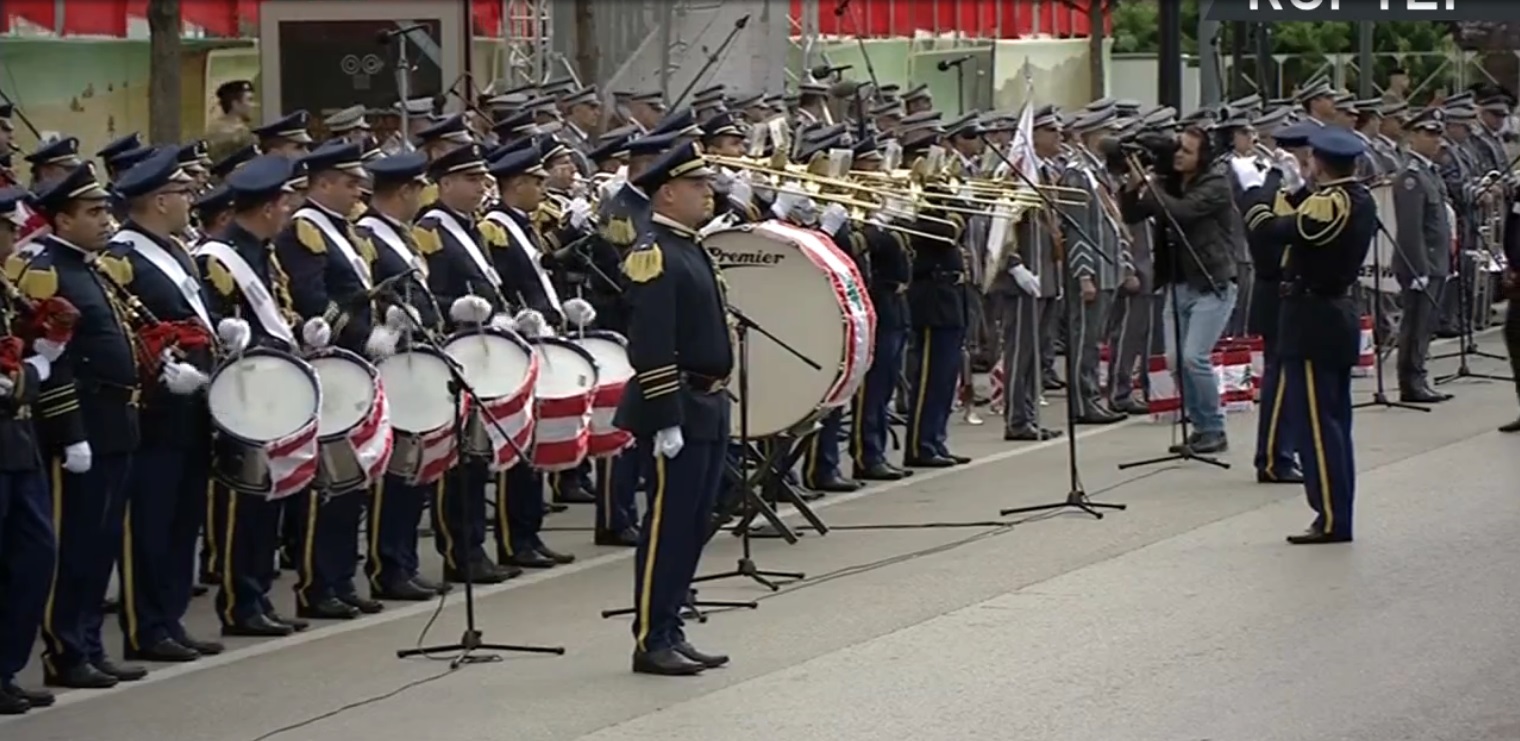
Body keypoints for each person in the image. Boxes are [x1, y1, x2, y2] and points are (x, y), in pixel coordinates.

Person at [12, 163, 144, 688]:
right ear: (62, 220)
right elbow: (52, 356)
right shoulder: (48, 270)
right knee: (74, 544)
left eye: (106, 210)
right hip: (81, 425)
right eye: (92, 212)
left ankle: (89, 642)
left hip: (116, 420)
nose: (105, 220)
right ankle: (65, 650)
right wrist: (71, 433)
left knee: (101, 543)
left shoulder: (93, 267)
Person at [615, 141, 732, 676]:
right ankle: (651, 638)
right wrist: (665, 418)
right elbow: (651, 344)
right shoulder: (654, 253)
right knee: (666, 528)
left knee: (692, 525)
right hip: (677, 404)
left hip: (707, 401)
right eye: (696, 184)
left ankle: (672, 628)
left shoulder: (689, 246)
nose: (707, 192)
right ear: (666, 192)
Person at [107, 150, 226, 662]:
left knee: (183, 519)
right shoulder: (122, 256)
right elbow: (124, 330)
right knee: (151, 522)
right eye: (183, 193)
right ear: (159, 200)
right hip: (156, 410)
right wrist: (157, 368)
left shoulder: (176, 249)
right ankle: (146, 627)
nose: (191, 200)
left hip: (194, 402)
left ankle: (170, 618)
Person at [275, 139, 394, 620]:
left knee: (352, 480)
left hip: (358, 365)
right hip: (333, 363)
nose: (357, 191)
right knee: (328, 482)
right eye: (348, 183)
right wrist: (363, 335)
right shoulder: (305, 229)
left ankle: (341, 578)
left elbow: (361, 291)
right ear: (322, 184)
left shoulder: (342, 228)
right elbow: (313, 301)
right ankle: (317, 583)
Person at [1244, 128, 1374, 545]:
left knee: (1318, 426)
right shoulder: (1355, 197)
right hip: (1330, 315)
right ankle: (1335, 513)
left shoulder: (1332, 201)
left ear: (1319, 162)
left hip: (1313, 319)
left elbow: (1270, 228)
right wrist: (1299, 189)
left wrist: (1263, 188)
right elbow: (1312, 222)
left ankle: (1332, 517)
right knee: (1332, 422)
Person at [196, 154, 308, 637]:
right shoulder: (219, 258)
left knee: (269, 497)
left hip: (273, 389)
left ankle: (258, 595)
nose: (288, 212)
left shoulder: (263, 251)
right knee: (242, 504)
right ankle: (240, 601)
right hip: (241, 395)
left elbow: (280, 311)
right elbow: (214, 325)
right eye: (284, 204)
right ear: (266, 208)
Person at [411, 143, 519, 585]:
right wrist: (455, 308)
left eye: (482, 179)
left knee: (477, 458)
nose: (481, 187)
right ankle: (459, 551)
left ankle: (475, 546)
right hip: (455, 351)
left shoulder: (470, 227)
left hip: (482, 350)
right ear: (445, 183)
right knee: (458, 461)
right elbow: (426, 295)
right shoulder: (432, 230)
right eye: (471, 180)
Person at [352, 151, 450, 601]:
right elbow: (358, 298)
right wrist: (380, 331)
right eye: (419, 189)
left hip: (417, 359)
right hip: (390, 360)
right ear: (405, 191)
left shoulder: (397, 234)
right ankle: (388, 565)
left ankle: (404, 561)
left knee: (416, 470)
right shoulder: (369, 236)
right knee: (396, 473)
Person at [1119, 125, 1239, 455]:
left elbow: (1182, 212)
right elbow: (1132, 213)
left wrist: (1151, 183)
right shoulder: (1168, 183)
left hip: (1211, 282)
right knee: (1175, 360)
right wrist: (1132, 185)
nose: (1178, 156)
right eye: (1177, 149)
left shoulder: (1215, 184)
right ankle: (1199, 426)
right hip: (1177, 282)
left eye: (1186, 151)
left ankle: (1214, 427)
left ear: (1203, 156)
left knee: (1194, 357)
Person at [0, 185, 67, 713]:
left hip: (18, 443)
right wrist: (32, 371)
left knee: (35, 556)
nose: (14, 234)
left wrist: (41, 346)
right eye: (7, 226)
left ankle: (5, 668)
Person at [1244, 122, 1314, 486]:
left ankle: (1290, 449)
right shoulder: (1269, 190)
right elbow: (1265, 248)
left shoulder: (1299, 188)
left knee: (1295, 380)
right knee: (1282, 380)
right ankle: (1274, 458)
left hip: (1299, 295)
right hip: (1279, 293)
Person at [1393, 107, 1454, 405]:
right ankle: (1411, 381)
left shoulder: (1430, 172)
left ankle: (1419, 376)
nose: (1436, 140)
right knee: (1416, 325)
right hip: (1422, 263)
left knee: (1425, 325)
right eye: (1429, 133)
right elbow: (1410, 228)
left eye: (1438, 134)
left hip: (1436, 261)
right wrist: (1417, 268)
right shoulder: (1411, 177)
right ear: (1413, 136)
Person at [206, 80, 257, 164]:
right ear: (235, 104)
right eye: (249, 100)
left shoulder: (245, 129)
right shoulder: (226, 133)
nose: (254, 105)